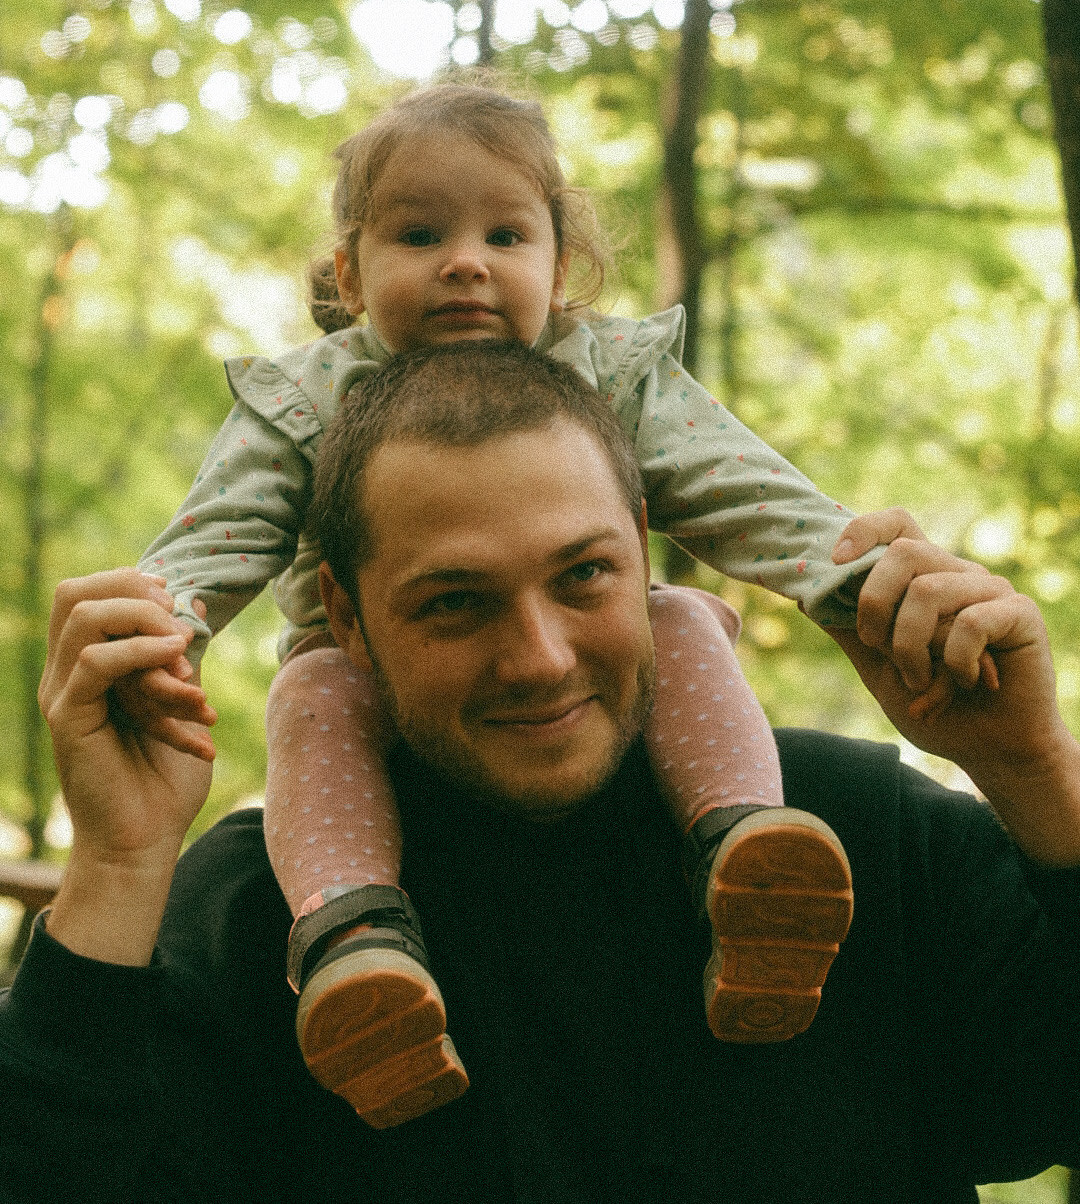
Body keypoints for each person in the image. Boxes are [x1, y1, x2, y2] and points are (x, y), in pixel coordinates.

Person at [2, 343, 1078, 1204]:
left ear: (645, 548)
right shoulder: (250, 926)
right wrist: (118, 862)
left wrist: (1034, 769)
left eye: (583, 575)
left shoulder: (855, 836)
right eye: (455, 601)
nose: (542, 657)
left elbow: (1042, 1106)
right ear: (346, 618)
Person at [129, 80, 894, 1124]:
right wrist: (160, 625)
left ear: (560, 266)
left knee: (675, 619)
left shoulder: (608, 375)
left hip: (647, 710)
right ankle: (354, 942)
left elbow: (738, 484)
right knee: (311, 697)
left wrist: (846, 575)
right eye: (419, 233)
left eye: (504, 232)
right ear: (351, 273)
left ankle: (747, 854)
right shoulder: (309, 398)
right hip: (364, 676)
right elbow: (219, 531)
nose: (464, 259)